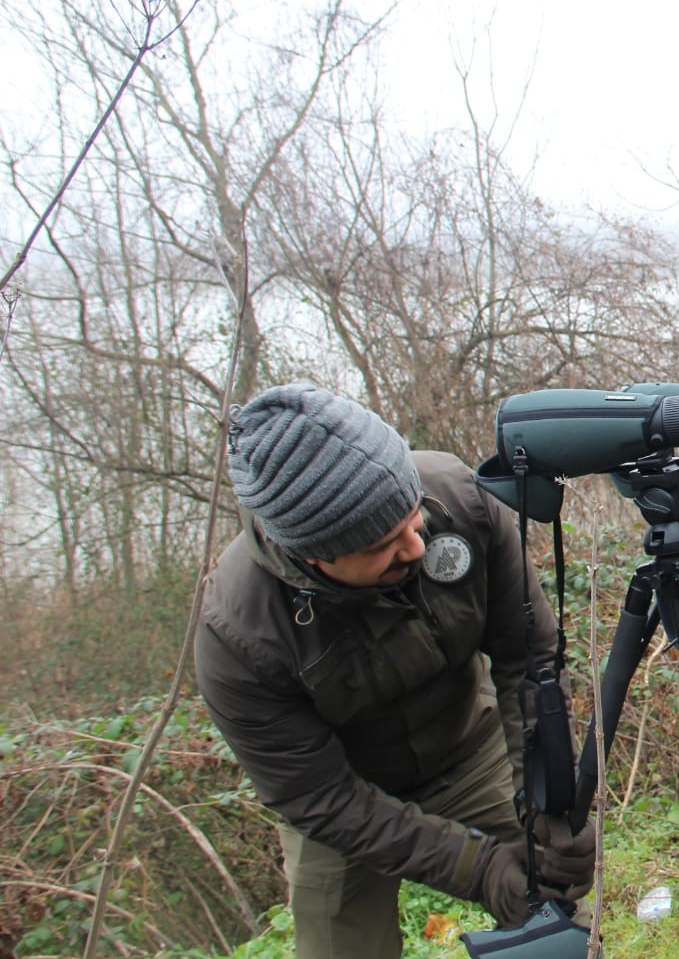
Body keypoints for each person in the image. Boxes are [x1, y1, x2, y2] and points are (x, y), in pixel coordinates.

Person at [194, 384, 596, 957]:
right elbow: (320, 799)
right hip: (347, 801)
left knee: (559, 910)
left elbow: (528, 659)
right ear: (316, 557)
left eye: (412, 519)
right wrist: (477, 868)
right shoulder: (239, 635)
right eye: (384, 544)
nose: (415, 546)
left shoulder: (458, 499)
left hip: (469, 747)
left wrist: (551, 798)